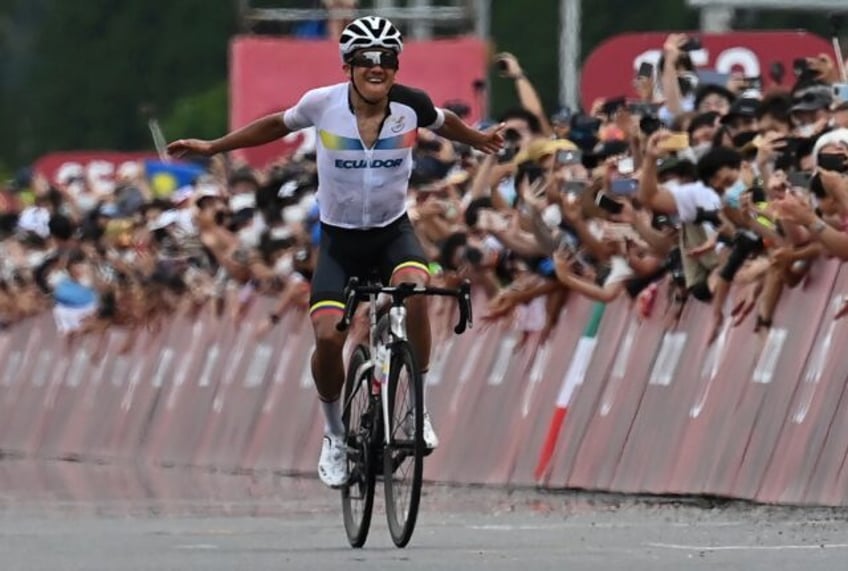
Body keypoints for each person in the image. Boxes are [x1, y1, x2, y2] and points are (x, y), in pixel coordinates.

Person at [167, 16, 504, 489]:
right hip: (340, 242)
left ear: (395, 66)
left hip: (392, 234)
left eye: (386, 59)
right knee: (328, 338)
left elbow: (445, 122)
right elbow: (270, 126)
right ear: (348, 66)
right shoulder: (322, 104)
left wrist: (479, 140)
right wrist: (214, 146)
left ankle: (419, 406)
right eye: (365, 60)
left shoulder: (412, 106)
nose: (376, 67)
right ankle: (334, 436)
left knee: (418, 291)